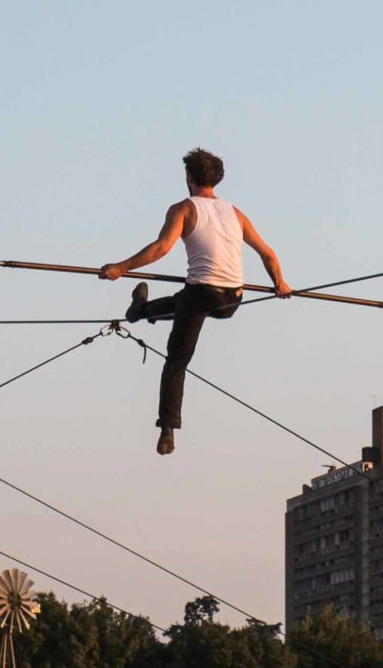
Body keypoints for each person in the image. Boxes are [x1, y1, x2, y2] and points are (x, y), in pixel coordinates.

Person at [99, 146, 292, 455]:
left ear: (188, 176)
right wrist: (279, 283)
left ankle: (167, 428)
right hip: (232, 299)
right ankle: (141, 310)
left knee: (176, 361)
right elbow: (268, 254)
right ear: (217, 180)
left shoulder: (184, 209)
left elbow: (162, 247)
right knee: (185, 301)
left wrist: (120, 268)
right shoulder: (235, 213)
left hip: (202, 294)